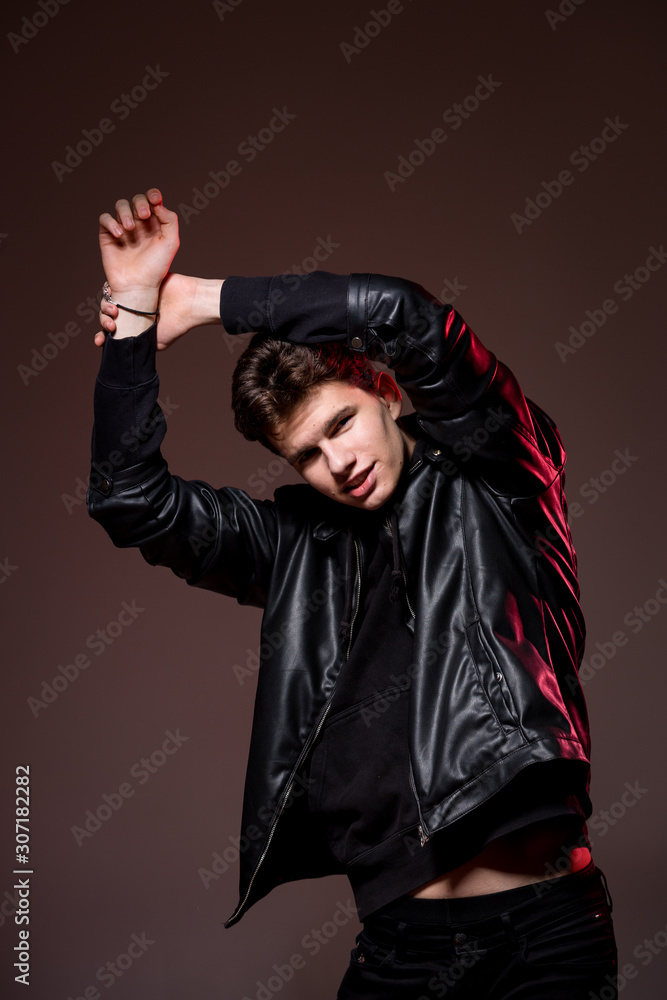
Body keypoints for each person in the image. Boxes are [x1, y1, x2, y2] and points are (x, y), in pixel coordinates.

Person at [88, 187, 618, 998]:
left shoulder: (498, 472)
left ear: (384, 388)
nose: (335, 462)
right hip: (400, 951)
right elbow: (129, 498)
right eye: (304, 453)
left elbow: (409, 317)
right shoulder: (297, 547)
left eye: (339, 424)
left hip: (544, 935)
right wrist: (130, 316)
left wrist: (204, 300)